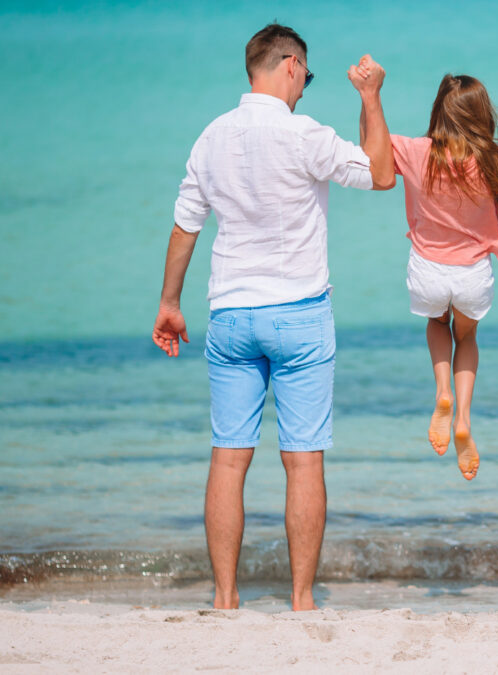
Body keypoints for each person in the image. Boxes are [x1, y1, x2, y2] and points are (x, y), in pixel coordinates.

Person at [150, 23, 394, 611]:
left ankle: (227, 597)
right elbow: (382, 173)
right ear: (290, 65)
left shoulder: (211, 137)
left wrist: (170, 303)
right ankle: (303, 600)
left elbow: (187, 227)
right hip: (299, 314)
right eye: (306, 76)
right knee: (303, 459)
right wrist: (369, 97)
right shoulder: (302, 134)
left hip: (231, 314)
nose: (306, 87)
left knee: (229, 457)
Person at [389, 75, 498, 480]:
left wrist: (369, 98)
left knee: (438, 323)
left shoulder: (417, 152)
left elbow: (374, 146)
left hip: (428, 269)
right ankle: (463, 417)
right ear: (483, 116)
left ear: (438, 113)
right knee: (466, 337)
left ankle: (442, 394)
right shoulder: (497, 162)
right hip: (472, 274)